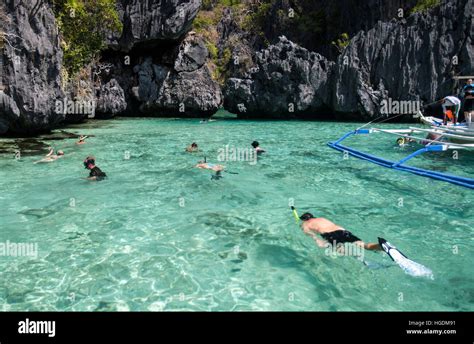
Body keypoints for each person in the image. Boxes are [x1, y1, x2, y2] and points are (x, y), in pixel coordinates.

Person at [299, 212, 381, 251]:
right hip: (341, 230)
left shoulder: (305, 224)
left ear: (304, 220)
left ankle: (355, 257)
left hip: (329, 235)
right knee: (363, 245)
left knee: (339, 250)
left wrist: (317, 240)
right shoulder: (321, 218)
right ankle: (380, 246)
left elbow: (308, 233)